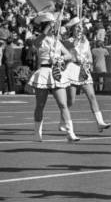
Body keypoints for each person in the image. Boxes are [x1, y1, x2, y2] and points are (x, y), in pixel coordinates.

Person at [27, 12, 79, 142]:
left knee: (63, 104)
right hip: (43, 72)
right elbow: (36, 44)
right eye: (52, 25)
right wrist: (45, 31)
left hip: (55, 72)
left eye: (54, 25)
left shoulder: (57, 41)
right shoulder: (39, 39)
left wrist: (60, 58)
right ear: (46, 26)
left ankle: (70, 132)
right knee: (40, 105)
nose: (54, 27)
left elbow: (69, 56)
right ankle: (37, 133)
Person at [62, 18, 111, 132]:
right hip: (72, 68)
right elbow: (70, 50)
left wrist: (88, 62)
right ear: (73, 29)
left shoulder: (86, 41)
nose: (80, 29)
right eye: (77, 27)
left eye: (81, 27)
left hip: (83, 69)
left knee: (92, 96)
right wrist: (76, 40)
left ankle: (100, 122)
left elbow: (89, 56)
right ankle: (63, 120)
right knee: (71, 100)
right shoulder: (68, 41)